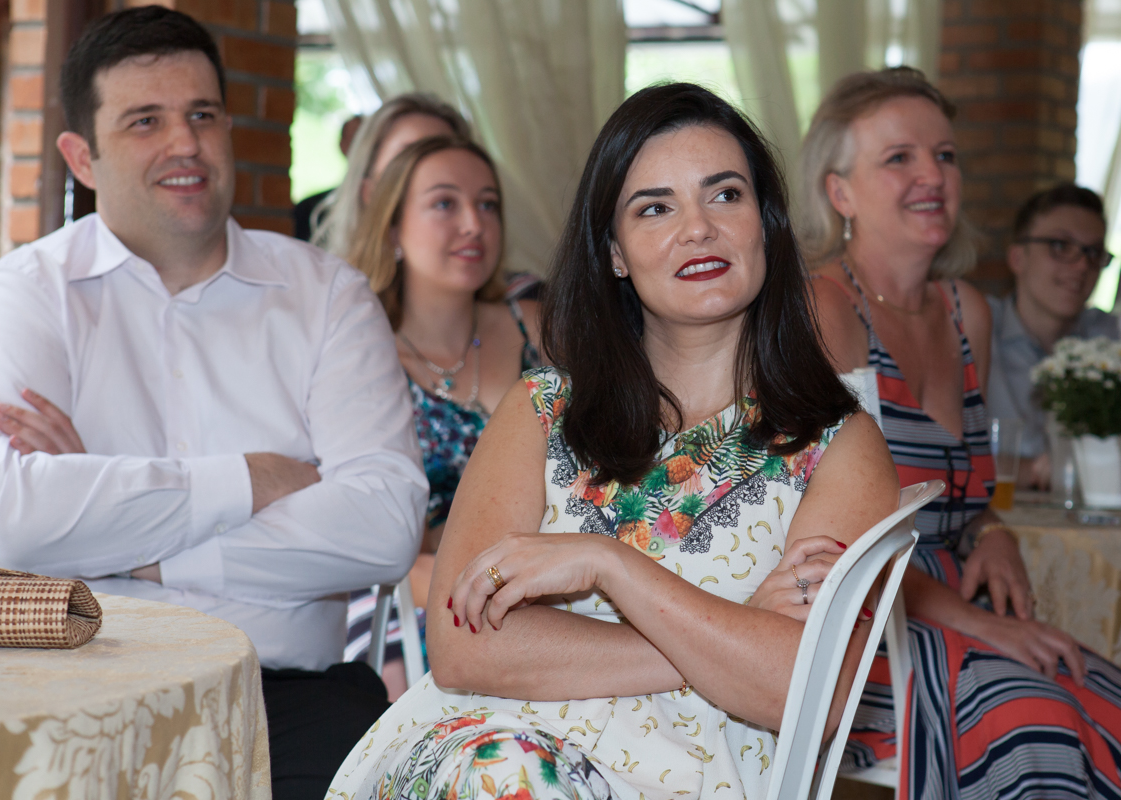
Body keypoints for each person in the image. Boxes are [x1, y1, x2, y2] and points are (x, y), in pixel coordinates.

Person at [329, 82, 898, 800]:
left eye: (725, 195)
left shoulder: (836, 445)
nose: (698, 229)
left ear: (766, 225)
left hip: (697, 777)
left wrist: (608, 566)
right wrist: (731, 635)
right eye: (655, 208)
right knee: (503, 771)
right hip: (487, 751)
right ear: (617, 253)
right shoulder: (541, 410)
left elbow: (801, 688)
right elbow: (462, 643)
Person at [0, 8, 426, 798]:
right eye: (146, 121)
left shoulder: (326, 297)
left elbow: (383, 527)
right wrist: (255, 477)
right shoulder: (29, 295)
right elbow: (15, 524)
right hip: (80, 684)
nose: (186, 144)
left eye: (202, 115)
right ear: (82, 157)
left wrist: (128, 537)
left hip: (290, 699)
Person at [801, 67, 1121, 799]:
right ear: (839, 191)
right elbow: (840, 533)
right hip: (867, 625)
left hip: (950, 607)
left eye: (945, 155)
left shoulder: (963, 310)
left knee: (1101, 699)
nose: (932, 175)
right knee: (1039, 723)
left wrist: (995, 530)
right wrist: (984, 626)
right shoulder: (824, 311)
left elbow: (966, 495)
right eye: (899, 158)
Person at [345, 135, 541, 690]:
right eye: (444, 203)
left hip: (551, 581)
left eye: (487, 204)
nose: (473, 224)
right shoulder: (359, 350)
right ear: (391, 227)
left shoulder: (541, 327)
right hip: (406, 592)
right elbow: (355, 530)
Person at [987, 183, 1118, 489]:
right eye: (1060, 245)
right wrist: (1040, 468)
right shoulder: (972, 331)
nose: (1082, 265)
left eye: (1093, 252)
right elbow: (944, 458)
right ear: (1018, 258)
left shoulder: (1112, 340)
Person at [312, 94, 471, 258]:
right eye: (410, 155)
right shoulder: (338, 279)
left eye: (442, 155)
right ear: (369, 188)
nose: (430, 170)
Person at [293, 114, 363, 241]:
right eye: (354, 140)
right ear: (342, 145)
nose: (360, 149)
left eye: (364, 141)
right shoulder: (311, 209)